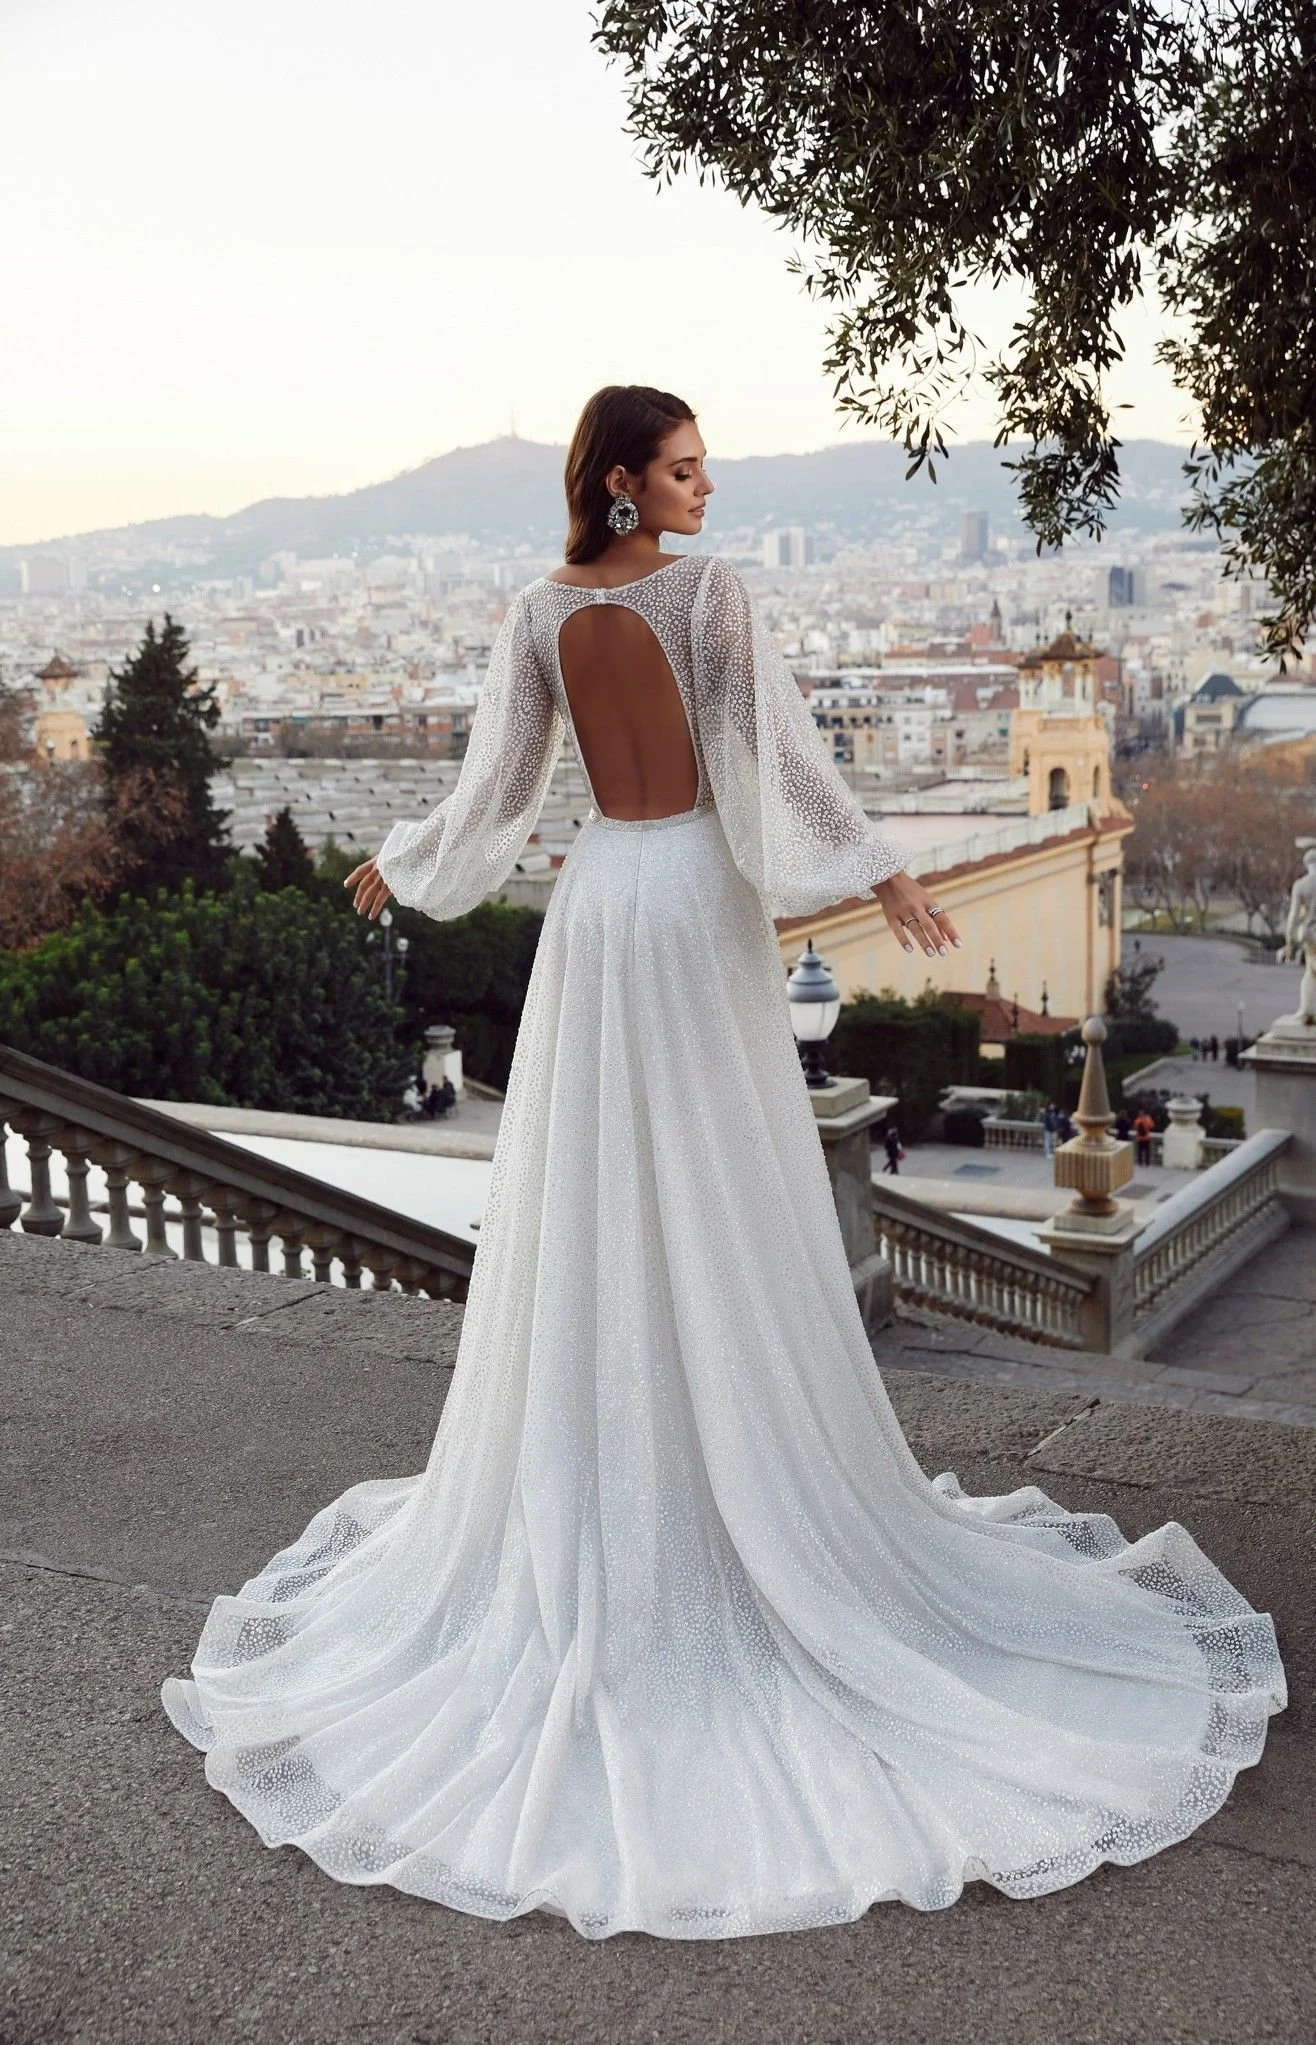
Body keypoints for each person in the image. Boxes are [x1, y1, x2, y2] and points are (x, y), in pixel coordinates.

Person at [162, 384, 1283, 1941]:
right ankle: (739, 1472)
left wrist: (405, 863)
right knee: (718, 1188)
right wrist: (877, 868)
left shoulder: (533, 616)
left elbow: (492, 797)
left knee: (601, 1195)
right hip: (690, 903)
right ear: (622, 479)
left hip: (598, 913)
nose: (707, 488)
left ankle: (621, 1473)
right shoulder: (708, 599)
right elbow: (782, 767)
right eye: (684, 468)